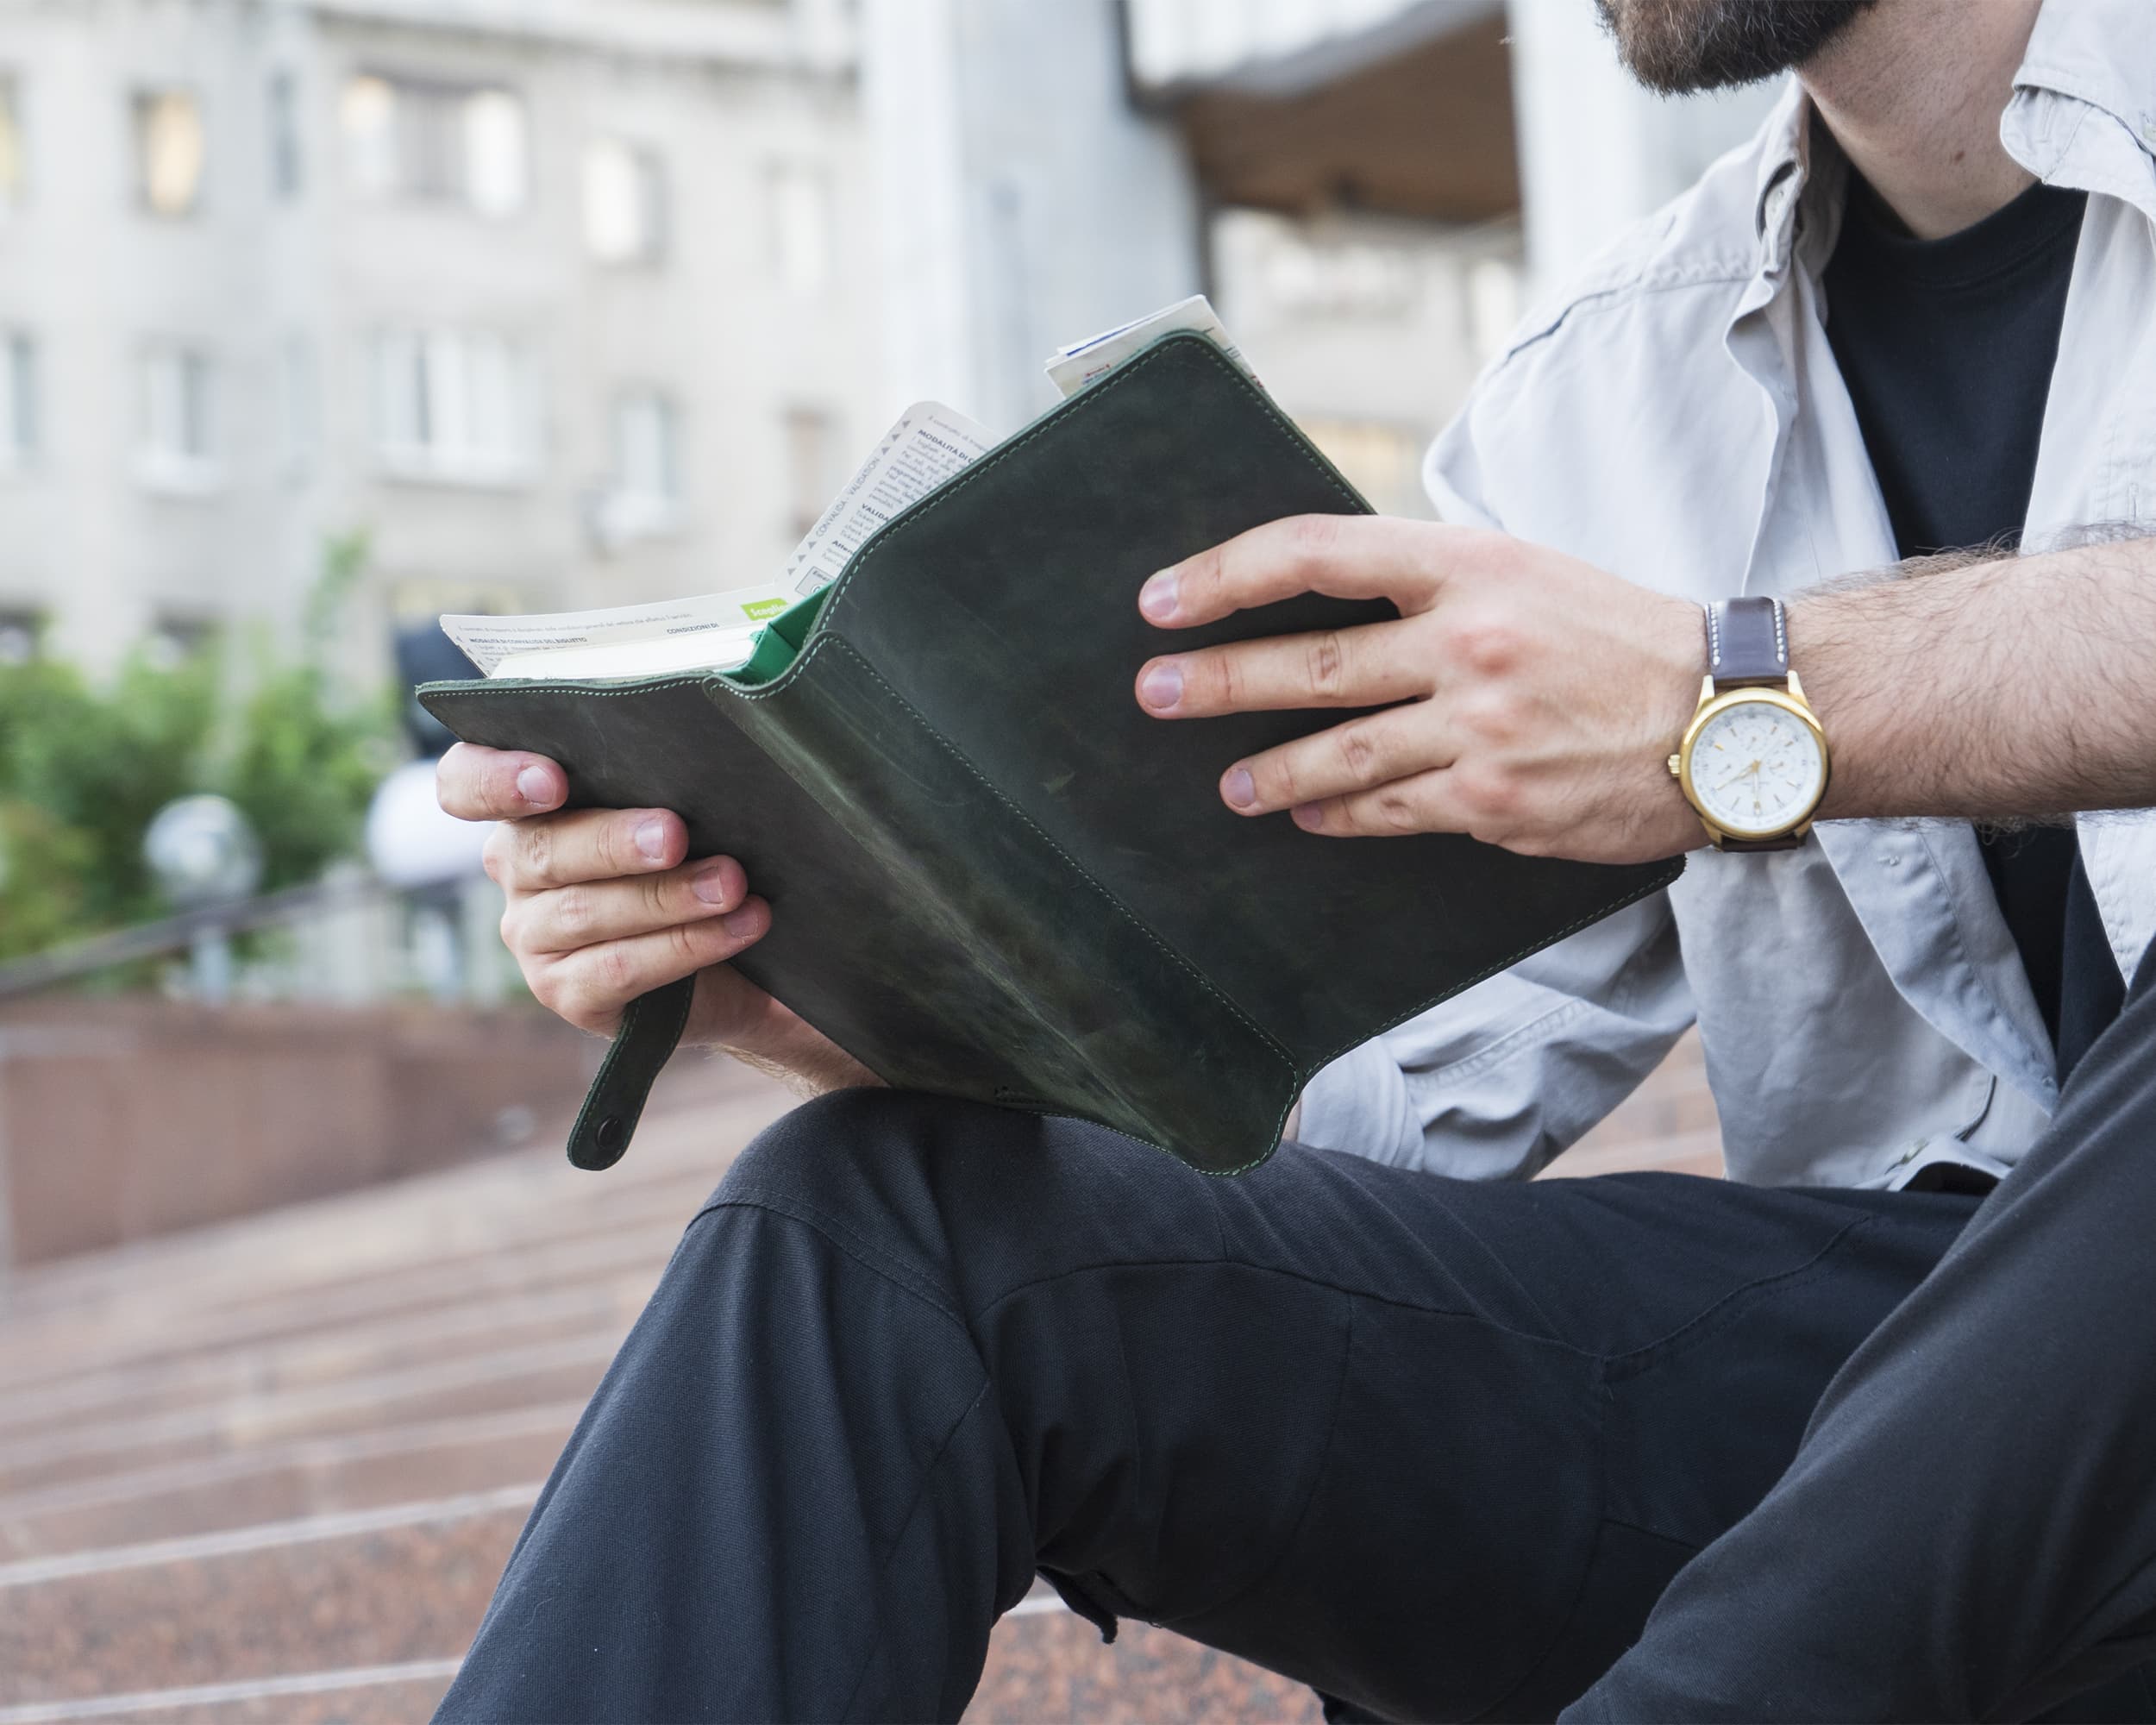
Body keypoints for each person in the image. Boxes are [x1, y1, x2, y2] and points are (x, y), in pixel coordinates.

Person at [430, 0, 2156, 1716]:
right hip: (1906, 1411)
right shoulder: (1606, 388)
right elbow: (1352, 1107)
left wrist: (1735, 697)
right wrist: (843, 970)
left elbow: (1726, 703)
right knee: (895, 1228)